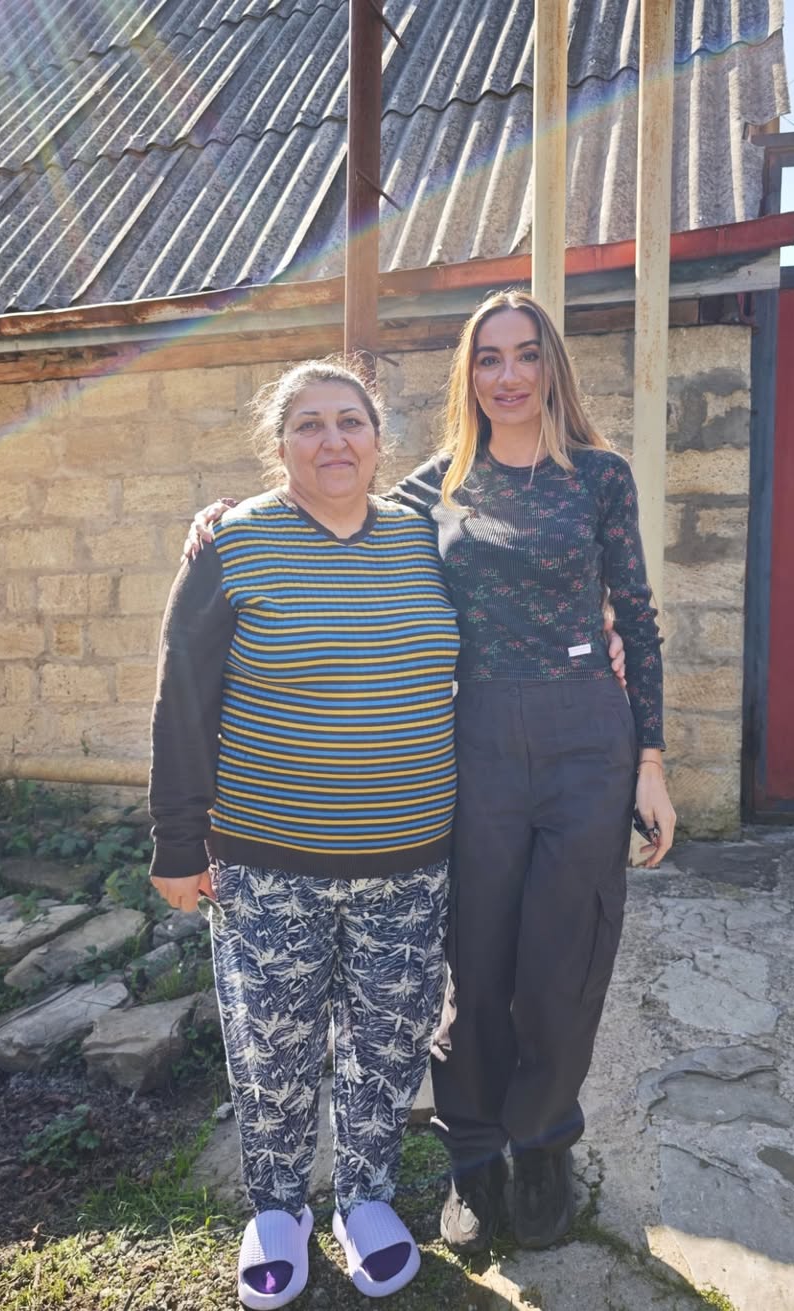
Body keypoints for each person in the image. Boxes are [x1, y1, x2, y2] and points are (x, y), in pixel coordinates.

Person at [186, 290, 675, 1259]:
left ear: (552, 366)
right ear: (468, 374)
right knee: (476, 962)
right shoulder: (439, 486)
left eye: (525, 355)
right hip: (478, 738)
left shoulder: (601, 476)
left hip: (588, 737)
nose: (508, 375)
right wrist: (228, 518)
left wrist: (651, 760)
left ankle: (544, 1145)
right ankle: (474, 1158)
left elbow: (638, 617)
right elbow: (335, 497)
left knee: (565, 963)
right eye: (488, 358)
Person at [148, 361, 460, 1309]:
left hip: (410, 860)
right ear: (278, 445)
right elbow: (182, 696)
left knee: (388, 1042)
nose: (333, 440)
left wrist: (604, 625)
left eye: (351, 421)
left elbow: (514, 611)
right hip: (267, 863)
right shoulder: (234, 542)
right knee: (272, 1048)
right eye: (309, 424)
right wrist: (176, 840)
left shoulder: (427, 539)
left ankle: (367, 1198)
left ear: (379, 440)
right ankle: (277, 1209)